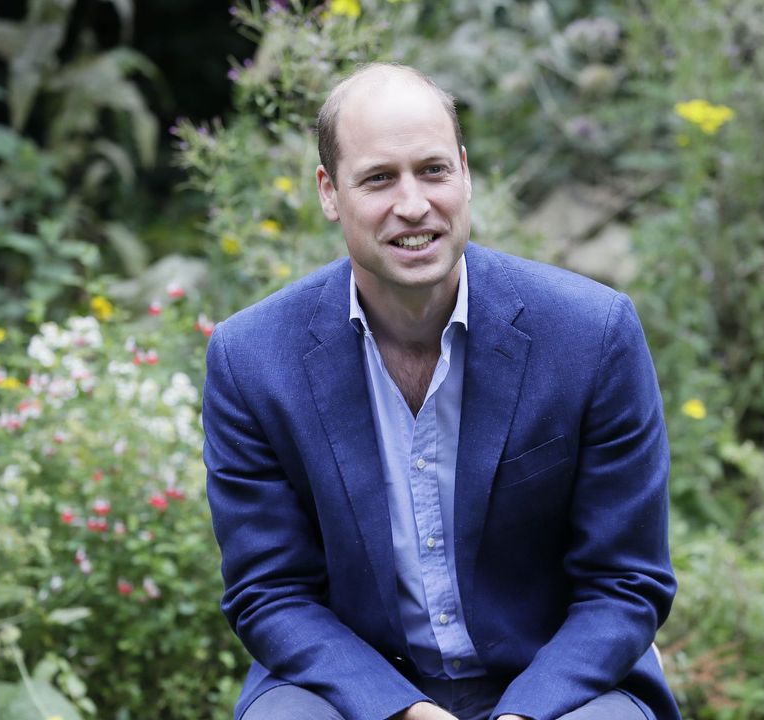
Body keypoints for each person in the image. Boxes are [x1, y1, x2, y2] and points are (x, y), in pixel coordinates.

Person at [202, 63, 679, 720]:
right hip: (357, 693)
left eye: (432, 170)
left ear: (464, 171)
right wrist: (404, 713)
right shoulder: (251, 359)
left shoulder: (592, 335)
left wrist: (522, 715)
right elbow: (271, 592)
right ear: (329, 191)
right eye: (378, 178)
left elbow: (627, 583)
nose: (412, 204)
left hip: (556, 688)